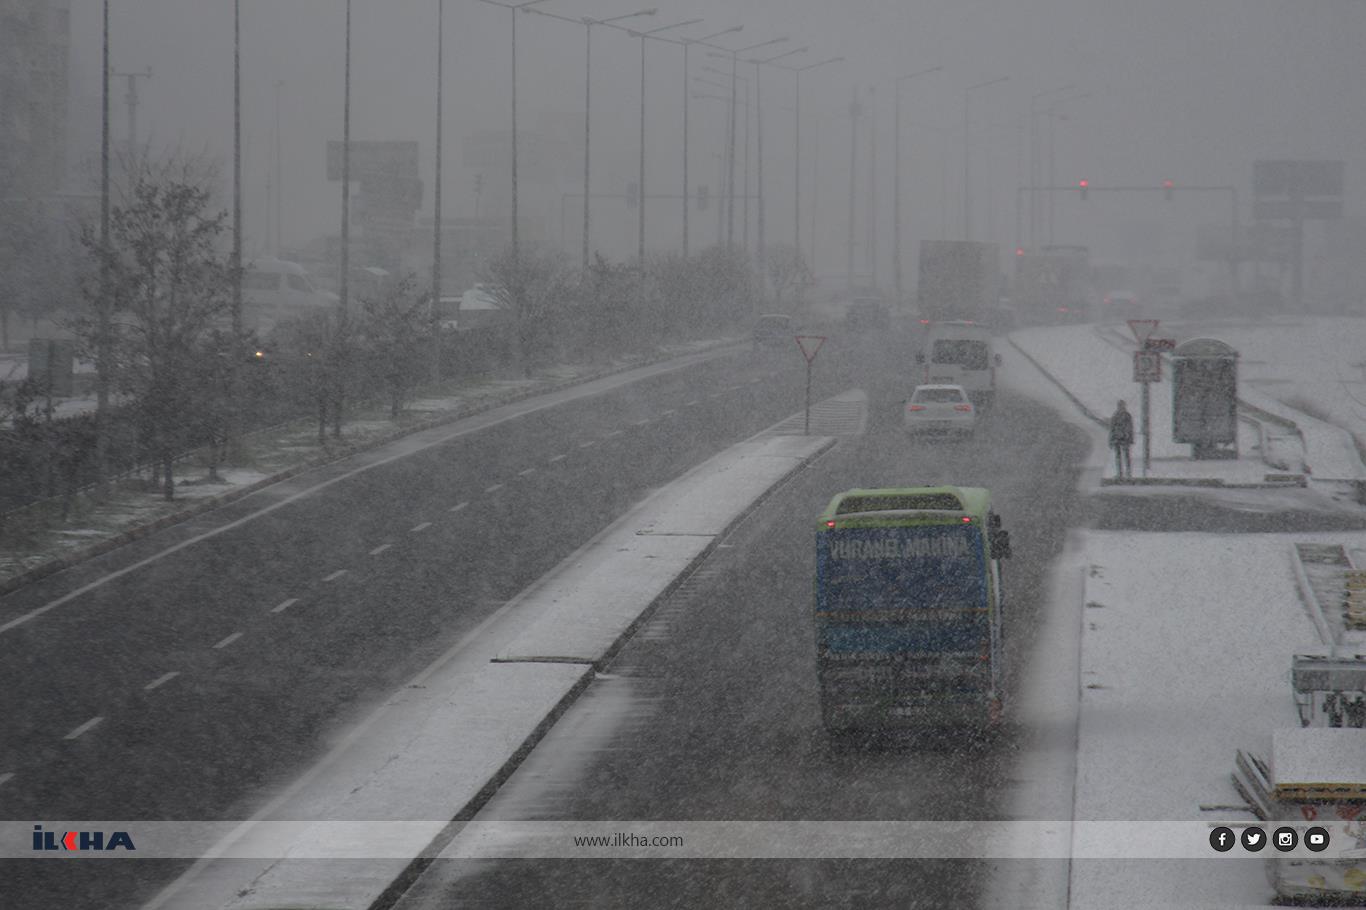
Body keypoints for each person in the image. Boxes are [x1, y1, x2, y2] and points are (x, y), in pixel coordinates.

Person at [1109, 400, 1134, 479]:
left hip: (1123, 438)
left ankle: (1126, 473)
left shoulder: (1124, 415)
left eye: (1122, 405)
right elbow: (1112, 428)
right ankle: (1121, 473)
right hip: (1119, 438)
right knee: (1120, 457)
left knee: (1124, 456)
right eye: (1120, 405)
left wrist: (1129, 437)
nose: (1121, 407)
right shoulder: (1117, 415)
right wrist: (1111, 439)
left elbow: (1129, 427)